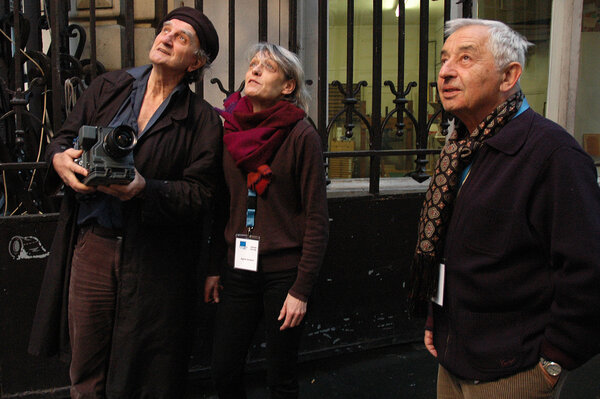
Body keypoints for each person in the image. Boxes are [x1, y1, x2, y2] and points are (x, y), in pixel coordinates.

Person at [28, 7, 223, 398]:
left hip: (155, 257)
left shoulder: (202, 120)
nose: (166, 38)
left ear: (195, 63)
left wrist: (144, 189)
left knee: (143, 365)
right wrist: (60, 161)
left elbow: (201, 193)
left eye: (181, 38)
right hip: (94, 245)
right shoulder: (107, 88)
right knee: (86, 364)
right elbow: (61, 140)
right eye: (165, 30)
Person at [410, 18, 600, 399]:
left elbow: (588, 270)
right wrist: (437, 317)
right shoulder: (459, 149)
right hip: (453, 358)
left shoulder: (552, 155)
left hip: (514, 372)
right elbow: (450, 245)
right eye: (444, 59)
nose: (446, 72)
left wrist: (553, 361)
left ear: (509, 75)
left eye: (466, 59)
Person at [204, 43, 329, 399]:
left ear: (288, 86)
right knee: (223, 370)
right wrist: (215, 268)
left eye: (268, 68)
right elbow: (221, 207)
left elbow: (317, 219)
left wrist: (300, 291)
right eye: (253, 64)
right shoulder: (230, 131)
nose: (255, 71)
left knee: (281, 377)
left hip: (284, 275)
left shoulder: (301, 135)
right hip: (238, 270)